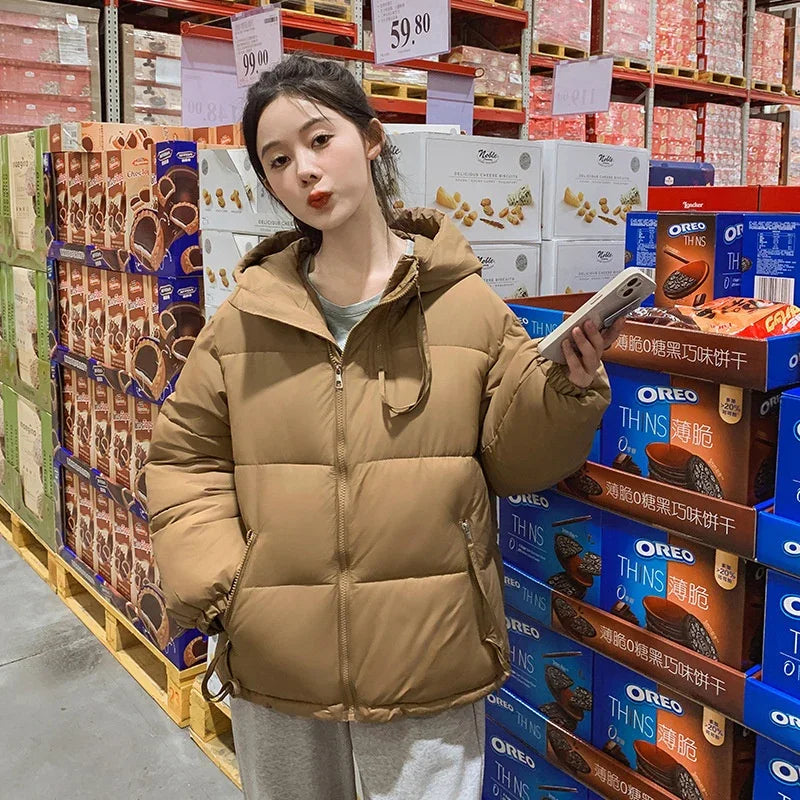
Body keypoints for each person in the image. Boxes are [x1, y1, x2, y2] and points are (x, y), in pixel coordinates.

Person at [145, 55, 621, 800]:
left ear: (369, 139)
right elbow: (184, 457)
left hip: (429, 663)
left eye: (318, 139)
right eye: (277, 160)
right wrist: (227, 585)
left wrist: (566, 392)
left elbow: (515, 461)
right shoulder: (247, 317)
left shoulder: (466, 306)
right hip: (280, 672)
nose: (304, 169)